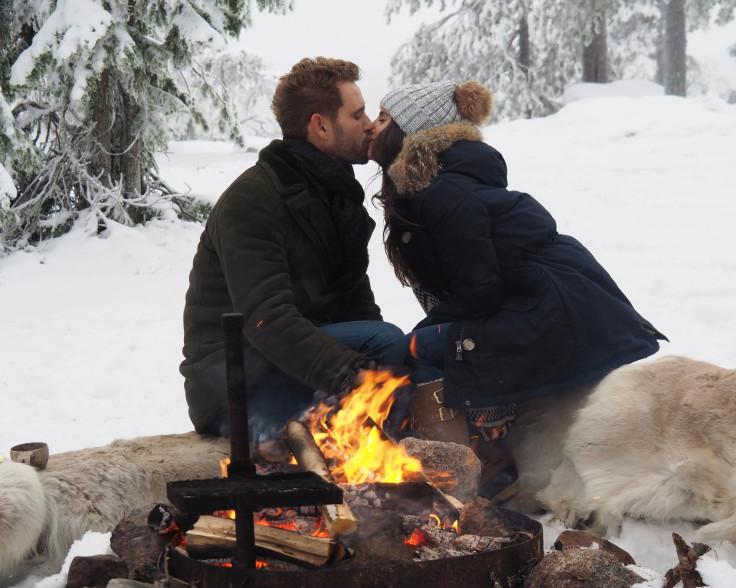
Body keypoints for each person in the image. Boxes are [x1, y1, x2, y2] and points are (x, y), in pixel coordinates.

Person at [368, 80, 667, 499]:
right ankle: (484, 462)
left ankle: (468, 484)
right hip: (543, 302)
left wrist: (420, 336)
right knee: (425, 344)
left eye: (383, 119)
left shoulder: (444, 192)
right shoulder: (434, 186)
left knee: (420, 351)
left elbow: (480, 292)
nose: (370, 127)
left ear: (411, 131)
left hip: (552, 309)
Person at [179, 58, 407, 453]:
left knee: (397, 350)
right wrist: (351, 372)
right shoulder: (254, 199)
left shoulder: (333, 196)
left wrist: (385, 369)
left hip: (289, 370)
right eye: (357, 115)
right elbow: (267, 318)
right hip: (234, 392)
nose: (370, 124)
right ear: (320, 125)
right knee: (381, 345)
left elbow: (355, 302)